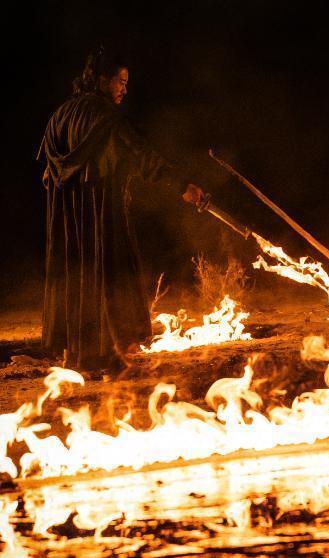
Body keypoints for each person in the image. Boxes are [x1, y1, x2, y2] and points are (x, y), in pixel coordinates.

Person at [39, 47, 205, 371]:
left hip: (67, 219)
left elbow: (51, 170)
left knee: (76, 273)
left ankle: (76, 353)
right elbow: (141, 155)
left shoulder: (59, 115)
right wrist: (182, 186)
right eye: (121, 82)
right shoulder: (105, 117)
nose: (124, 90)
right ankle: (111, 354)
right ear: (102, 80)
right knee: (109, 273)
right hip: (101, 210)